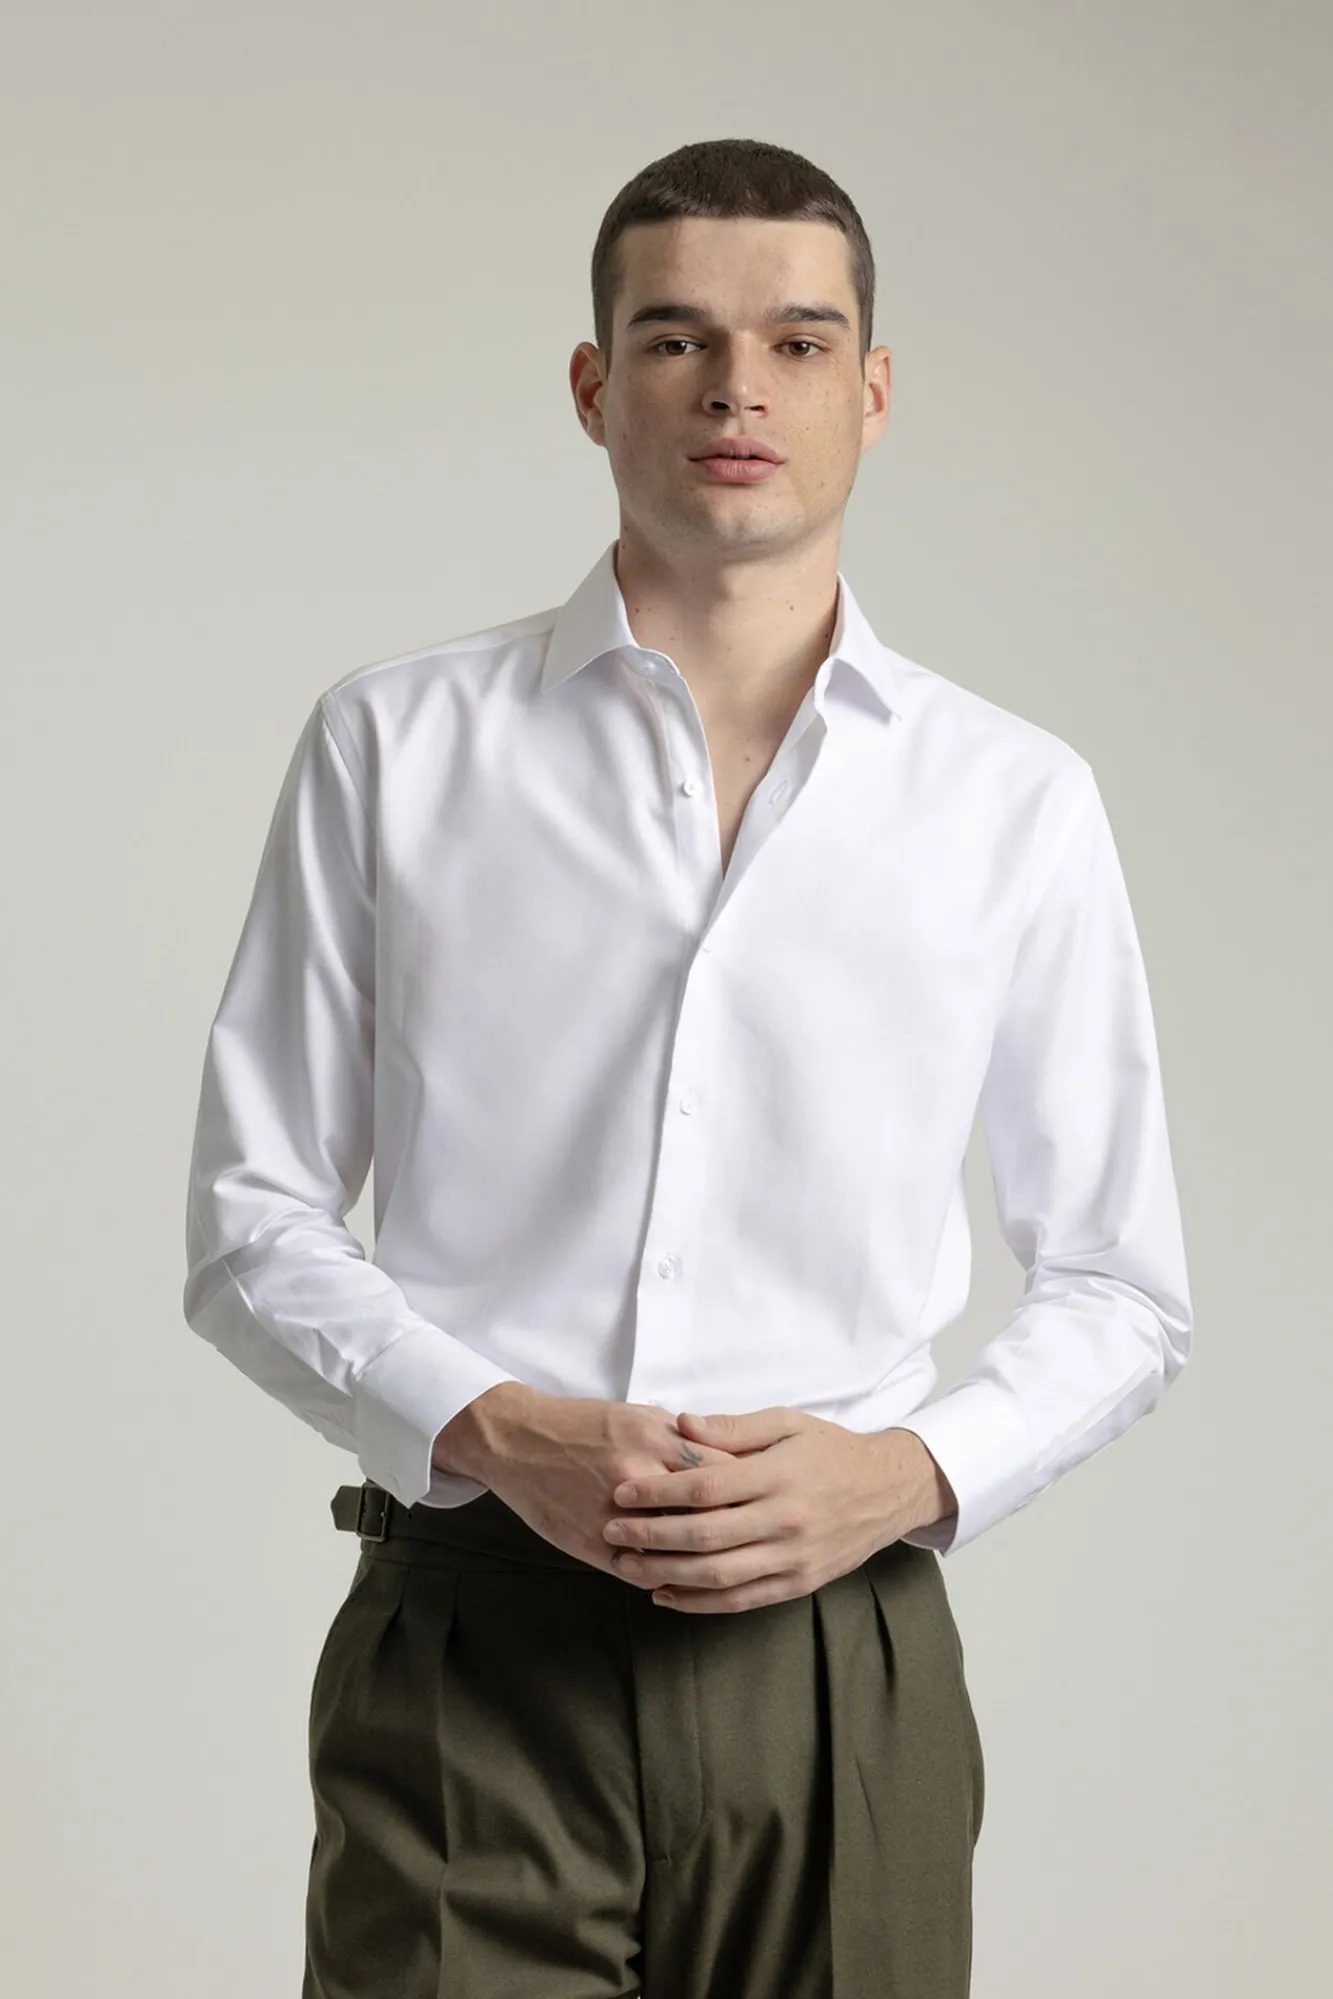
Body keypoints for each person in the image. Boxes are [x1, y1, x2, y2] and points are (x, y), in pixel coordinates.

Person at [182, 136, 1193, 1998]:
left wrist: (909, 1471)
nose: (738, 388)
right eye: (677, 339)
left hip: (841, 1660)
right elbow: (251, 1220)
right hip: (474, 1637)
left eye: (798, 342)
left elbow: (1125, 1285)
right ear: (595, 385)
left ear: (871, 391)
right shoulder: (395, 747)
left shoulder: (1013, 802)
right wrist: (497, 1426)